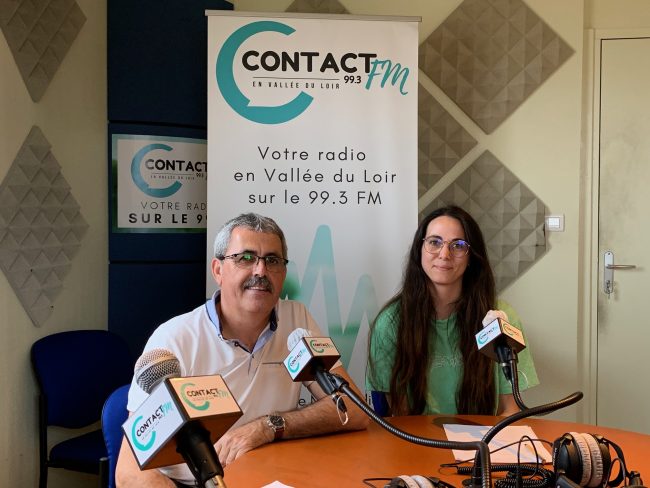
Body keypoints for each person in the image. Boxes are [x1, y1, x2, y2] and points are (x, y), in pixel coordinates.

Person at [116, 212, 368, 487]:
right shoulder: (174, 339)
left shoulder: (297, 320)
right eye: (245, 258)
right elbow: (130, 471)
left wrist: (269, 426)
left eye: (272, 260)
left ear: (283, 273)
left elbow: (354, 410)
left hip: (273, 477)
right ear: (218, 270)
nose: (260, 271)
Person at [366, 205, 538, 417]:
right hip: (415, 437)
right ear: (419, 250)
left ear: (471, 256)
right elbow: (398, 416)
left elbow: (510, 409)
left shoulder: (501, 317)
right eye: (434, 242)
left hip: (484, 436)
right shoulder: (391, 322)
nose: (444, 254)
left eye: (458, 245)